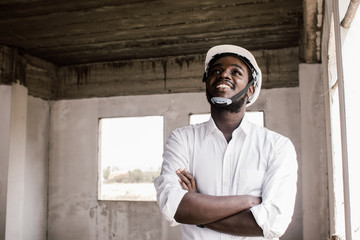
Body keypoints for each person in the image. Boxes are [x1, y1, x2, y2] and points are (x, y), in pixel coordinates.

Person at [154, 44, 298, 240]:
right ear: (207, 82)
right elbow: (173, 206)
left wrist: (198, 210)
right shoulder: (182, 139)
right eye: (216, 71)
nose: (224, 75)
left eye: (236, 72)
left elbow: (273, 224)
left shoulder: (277, 146)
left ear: (251, 89)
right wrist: (247, 201)